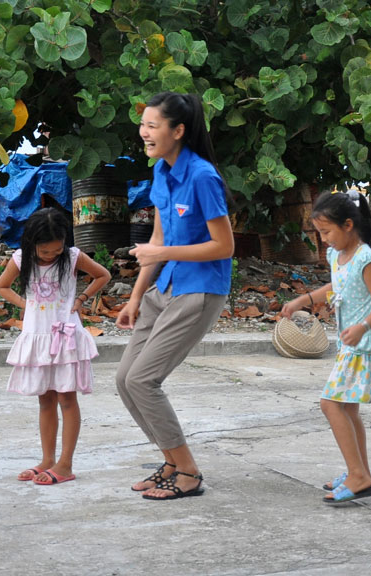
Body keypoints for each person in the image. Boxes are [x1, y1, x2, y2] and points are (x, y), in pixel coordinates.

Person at [115, 92, 234, 500]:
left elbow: (224, 246)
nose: (144, 132)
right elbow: (159, 239)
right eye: (143, 124)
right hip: (164, 287)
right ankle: (171, 460)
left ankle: (188, 472)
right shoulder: (162, 174)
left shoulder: (202, 176)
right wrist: (135, 298)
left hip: (199, 290)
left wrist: (162, 253)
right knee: (124, 379)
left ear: (177, 131)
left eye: (153, 125)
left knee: (144, 380)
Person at [281, 190, 371, 505]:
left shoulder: (366, 258)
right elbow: (337, 287)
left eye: (327, 232)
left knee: (330, 404)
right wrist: (305, 299)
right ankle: (361, 474)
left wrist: (362, 326)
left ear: (347, 225)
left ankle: (359, 475)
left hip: (365, 343)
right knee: (348, 408)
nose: (324, 239)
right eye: (320, 233)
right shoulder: (336, 255)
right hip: (350, 343)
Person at [0, 207, 111, 485]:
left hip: (65, 338)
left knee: (67, 399)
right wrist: (28, 305)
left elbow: (103, 275)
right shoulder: (21, 259)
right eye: (45, 252)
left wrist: (81, 299)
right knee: (44, 400)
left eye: (56, 251)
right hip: (37, 338)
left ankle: (65, 464)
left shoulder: (71, 258)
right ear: (31, 242)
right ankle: (47, 460)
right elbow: (2, 286)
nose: (50, 256)